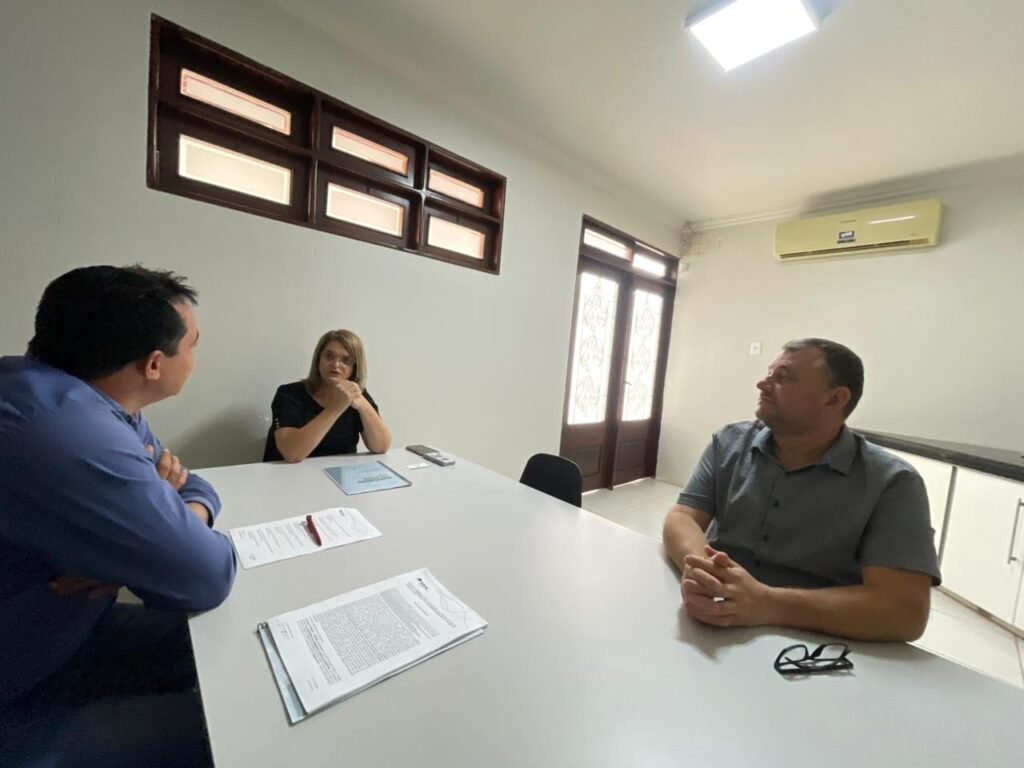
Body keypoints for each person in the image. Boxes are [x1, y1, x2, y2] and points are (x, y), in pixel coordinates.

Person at [0, 265, 237, 767]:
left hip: (70, 632)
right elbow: (206, 574)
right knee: (235, 735)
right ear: (154, 364)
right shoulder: (67, 434)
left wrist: (161, 523)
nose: (196, 356)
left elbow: (192, 483)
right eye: (193, 345)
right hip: (23, 684)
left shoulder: (91, 400)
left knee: (237, 648)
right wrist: (152, 537)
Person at [662, 338, 939, 642]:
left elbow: (904, 612)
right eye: (769, 373)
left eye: (783, 377)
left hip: (809, 642)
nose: (762, 384)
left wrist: (767, 602)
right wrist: (704, 571)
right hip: (710, 620)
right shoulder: (729, 442)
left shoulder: (893, 482)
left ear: (834, 399)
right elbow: (682, 517)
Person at [263, 329, 392, 462]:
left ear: (355, 367)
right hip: (286, 473)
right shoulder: (289, 394)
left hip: (337, 472)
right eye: (329, 356)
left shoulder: (356, 394)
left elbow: (381, 446)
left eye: (346, 360)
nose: (335, 364)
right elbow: (292, 454)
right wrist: (336, 407)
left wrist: (363, 405)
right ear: (318, 359)